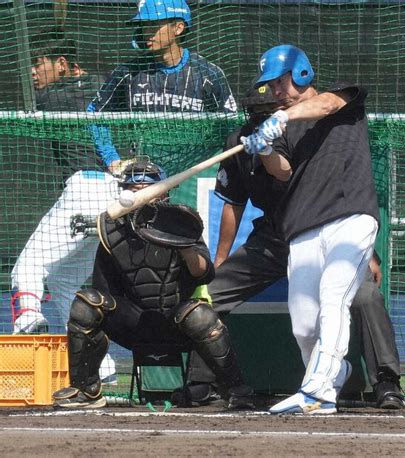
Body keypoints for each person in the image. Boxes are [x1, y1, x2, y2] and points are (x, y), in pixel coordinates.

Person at [180, 84, 403, 410]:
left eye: (267, 112)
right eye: (255, 113)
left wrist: (369, 252)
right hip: (272, 240)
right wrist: (221, 257)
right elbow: (233, 204)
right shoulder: (240, 143)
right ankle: (203, 383)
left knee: (366, 295)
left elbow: (343, 195)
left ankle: (386, 382)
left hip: (326, 230)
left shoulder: (312, 130)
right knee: (211, 292)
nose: (260, 118)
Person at [241, 45, 381, 415]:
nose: (274, 92)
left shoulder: (342, 97)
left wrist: (282, 120)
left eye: (278, 82)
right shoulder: (281, 124)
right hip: (303, 227)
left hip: (351, 216)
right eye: (268, 86)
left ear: (302, 73)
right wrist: (265, 148)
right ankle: (337, 372)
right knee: (304, 327)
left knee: (334, 295)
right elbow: (283, 171)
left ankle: (318, 392)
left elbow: (325, 106)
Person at [52, 160, 253, 409]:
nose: (140, 197)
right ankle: (86, 389)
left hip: (175, 321)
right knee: (87, 303)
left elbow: (203, 274)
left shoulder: (180, 221)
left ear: (163, 193)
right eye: (133, 191)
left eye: (147, 190)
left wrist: (184, 244)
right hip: (131, 323)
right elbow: (103, 290)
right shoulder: (111, 230)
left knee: (199, 314)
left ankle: (235, 390)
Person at [10, 32, 118, 382]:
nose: (32, 72)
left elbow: (50, 97)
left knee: (27, 269)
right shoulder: (106, 86)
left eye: (38, 64)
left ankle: (26, 328)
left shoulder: (53, 96)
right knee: (64, 279)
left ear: (61, 64)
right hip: (113, 197)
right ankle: (101, 367)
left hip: (85, 189)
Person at [86, 0, 237, 175]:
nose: (147, 33)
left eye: (154, 25)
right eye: (144, 25)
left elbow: (231, 126)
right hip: (143, 176)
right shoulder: (128, 72)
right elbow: (94, 113)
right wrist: (112, 159)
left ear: (178, 28)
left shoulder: (208, 74)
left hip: (195, 177)